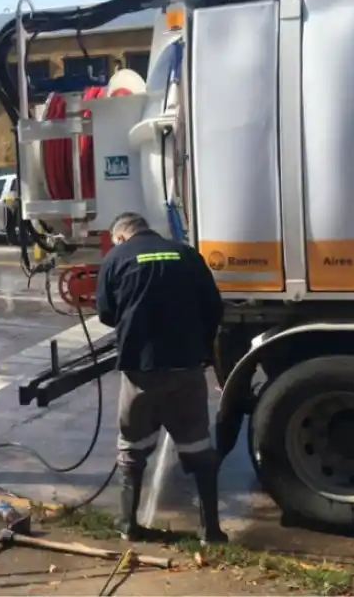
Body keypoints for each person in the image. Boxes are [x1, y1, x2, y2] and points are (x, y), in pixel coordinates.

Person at [95, 212, 227, 545]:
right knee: (197, 444)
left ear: (120, 237)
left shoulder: (115, 258)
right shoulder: (186, 254)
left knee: (133, 446)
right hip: (186, 366)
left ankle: (128, 525)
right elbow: (214, 308)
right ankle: (211, 531)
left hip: (140, 369)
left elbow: (107, 314)